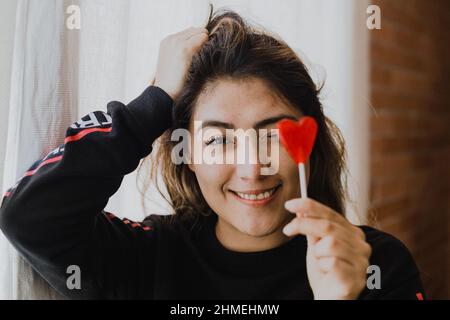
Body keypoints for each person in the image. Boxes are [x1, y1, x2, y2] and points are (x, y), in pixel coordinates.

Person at [0, 9, 425, 300]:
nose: (250, 168)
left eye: (272, 135)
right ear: (187, 153)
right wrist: (153, 104)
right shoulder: (146, 258)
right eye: (218, 140)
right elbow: (30, 216)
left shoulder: (376, 264)